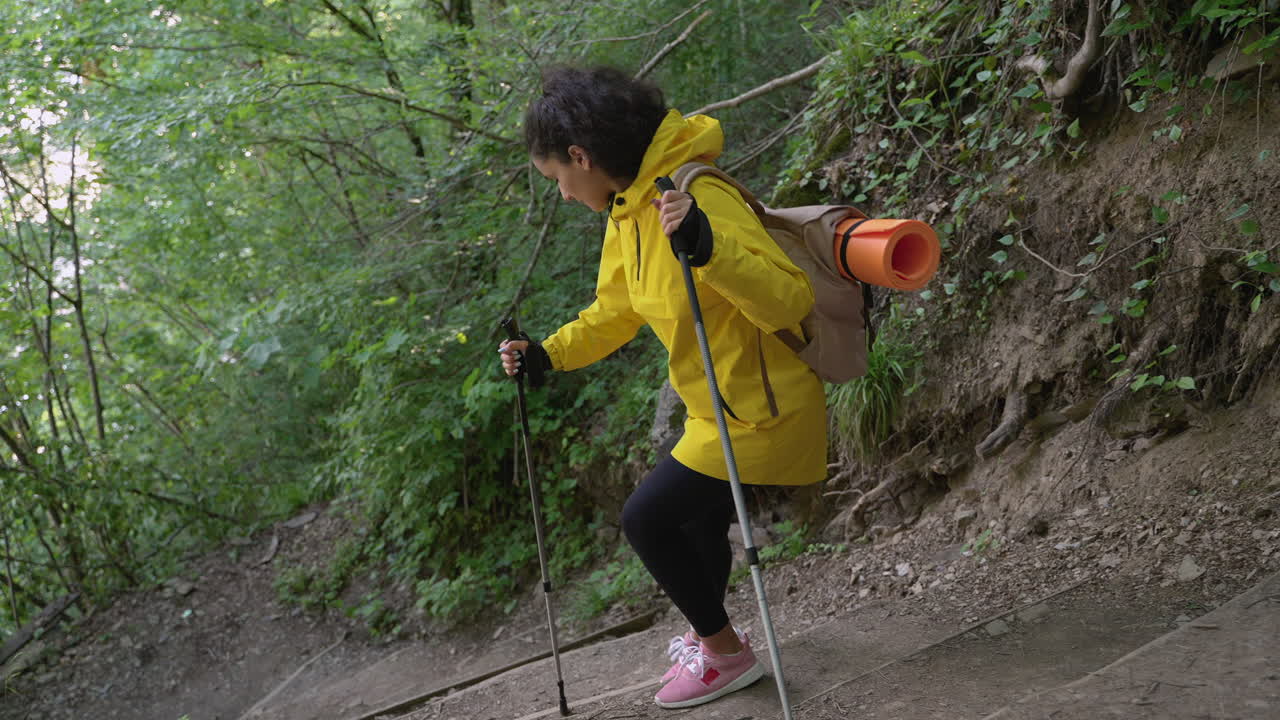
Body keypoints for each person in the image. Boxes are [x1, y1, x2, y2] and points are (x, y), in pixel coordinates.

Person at [499, 65, 827, 710]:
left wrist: (709, 247)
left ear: (580, 156)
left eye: (558, 180)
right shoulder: (628, 212)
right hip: (717, 413)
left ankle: (728, 656)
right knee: (693, 517)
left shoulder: (694, 197)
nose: (563, 194)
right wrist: (548, 356)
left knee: (646, 518)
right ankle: (716, 641)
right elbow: (616, 310)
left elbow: (791, 301)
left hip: (766, 410)